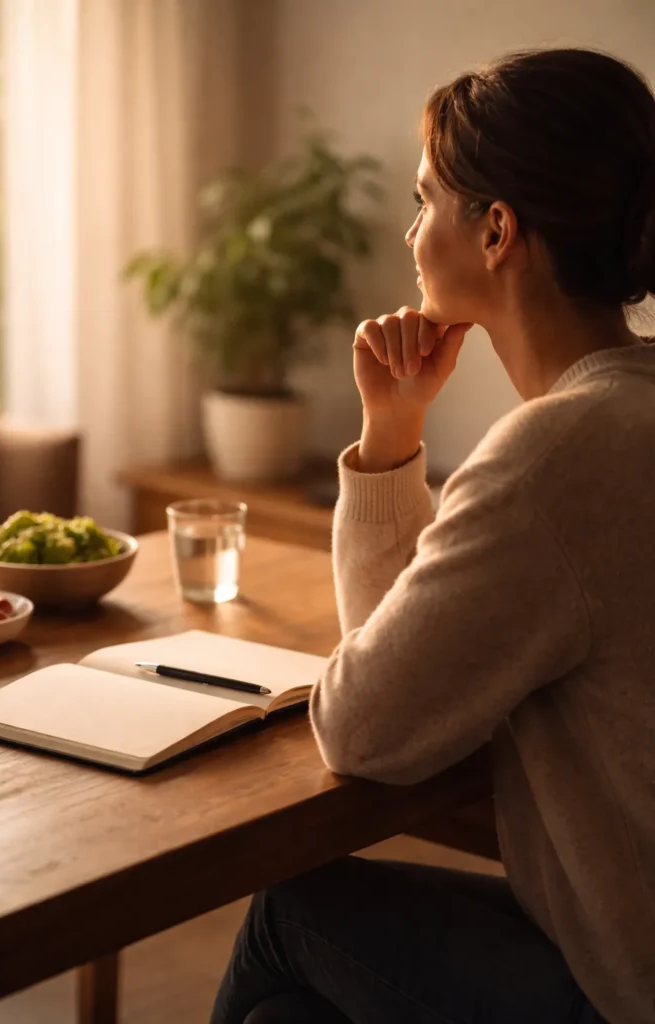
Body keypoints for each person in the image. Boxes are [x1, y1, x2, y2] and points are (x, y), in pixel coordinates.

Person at [210, 46, 655, 1024]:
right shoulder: (626, 410)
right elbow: (409, 686)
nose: (410, 234)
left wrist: (387, 442)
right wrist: (392, 435)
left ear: (495, 230)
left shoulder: (556, 455)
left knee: (293, 910)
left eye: (424, 202)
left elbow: (364, 727)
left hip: (625, 986)